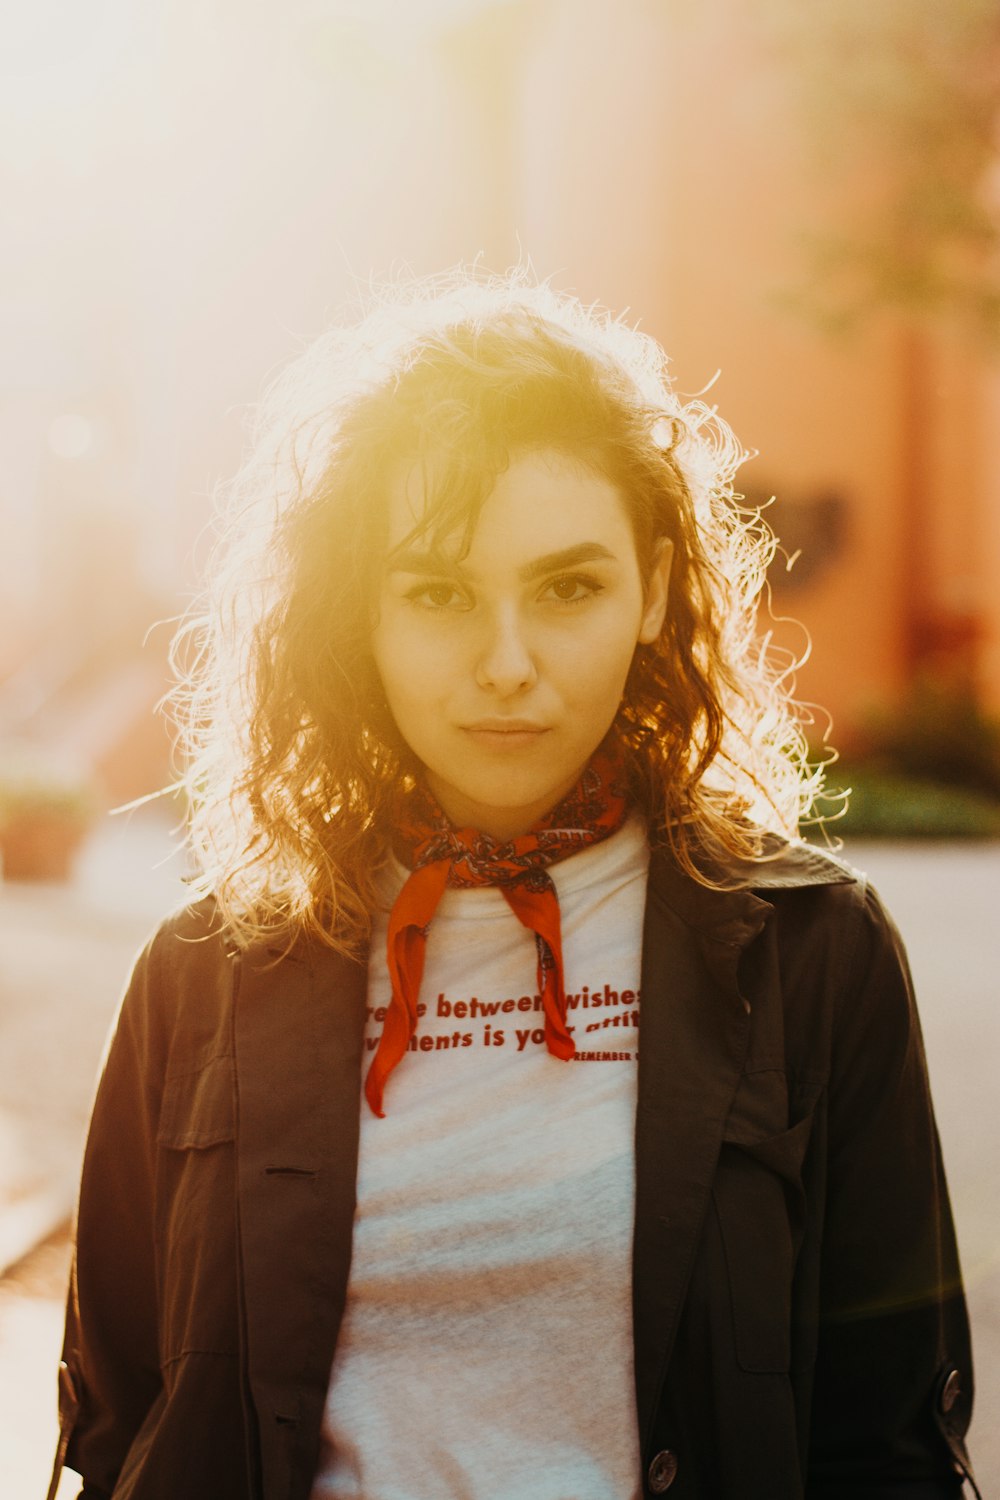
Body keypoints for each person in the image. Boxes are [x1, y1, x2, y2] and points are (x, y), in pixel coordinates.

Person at [50, 273, 978, 1500]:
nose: (506, 665)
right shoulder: (208, 971)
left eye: (568, 587)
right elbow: (118, 1412)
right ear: (360, 615)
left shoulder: (814, 957)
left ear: (651, 590)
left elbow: (886, 1440)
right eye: (438, 594)